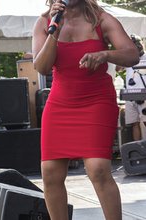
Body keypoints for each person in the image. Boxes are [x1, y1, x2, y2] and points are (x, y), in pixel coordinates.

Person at [32, 0, 139, 220]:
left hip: (96, 101)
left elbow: (131, 54)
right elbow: (41, 67)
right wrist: (55, 31)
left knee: (98, 169)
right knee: (50, 173)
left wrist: (105, 54)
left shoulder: (102, 19)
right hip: (60, 103)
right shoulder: (45, 22)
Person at [124, 34, 146, 141]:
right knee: (134, 123)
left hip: (144, 95)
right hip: (130, 95)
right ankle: (137, 149)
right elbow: (118, 68)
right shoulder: (128, 58)